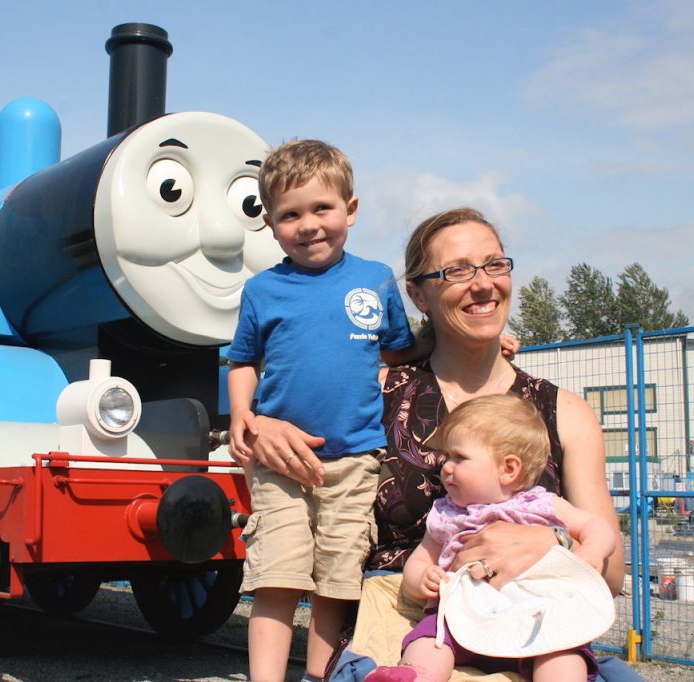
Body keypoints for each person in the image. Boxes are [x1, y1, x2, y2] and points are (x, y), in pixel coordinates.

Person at [244, 207, 635, 681]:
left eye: (494, 264)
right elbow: (280, 419)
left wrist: (550, 543)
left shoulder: (564, 412)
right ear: (418, 295)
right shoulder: (373, 393)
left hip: (527, 637)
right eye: (456, 271)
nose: (483, 284)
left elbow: (610, 576)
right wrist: (262, 425)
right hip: (398, 639)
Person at [226, 139, 426, 682]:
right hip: (279, 464)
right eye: (290, 215)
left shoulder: (376, 279)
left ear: (351, 211)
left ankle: (319, 676)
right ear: (270, 223)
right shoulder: (262, 290)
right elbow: (242, 361)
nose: (308, 224)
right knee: (276, 577)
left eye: (322, 208)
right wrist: (242, 414)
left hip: (356, 459)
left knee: (336, 581)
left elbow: (399, 350)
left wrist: (473, 337)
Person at [366, 394, 618, 682]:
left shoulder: (542, 505)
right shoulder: (447, 513)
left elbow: (597, 527)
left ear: (508, 469)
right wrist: (422, 578)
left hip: (537, 617)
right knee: (429, 640)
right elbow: (421, 558)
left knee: (564, 652)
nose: (445, 466)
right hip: (461, 617)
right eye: (446, 456)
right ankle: (416, 675)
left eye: (459, 457)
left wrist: (592, 553)